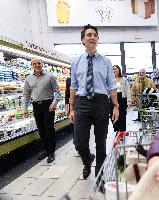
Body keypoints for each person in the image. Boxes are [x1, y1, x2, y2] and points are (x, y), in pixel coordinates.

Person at [69, 24, 119, 179]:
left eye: (94, 35)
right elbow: (73, 86)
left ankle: (100, 177)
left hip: (100, 103)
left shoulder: (106, 61)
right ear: (83, 40)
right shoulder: (76, 61)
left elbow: (111, 85)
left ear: (98, 39)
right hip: (82, 102)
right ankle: (87, 159)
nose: (92, 37)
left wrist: (115, 106)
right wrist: (71, 108)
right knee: (79, 143)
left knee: (101, 143)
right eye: (88, 35)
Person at [23, 58, 60, 163]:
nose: (37, 65)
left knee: (49, 128)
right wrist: (25, 108)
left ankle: (51, 152)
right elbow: (26, 94)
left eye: (38, 63)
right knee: (41, 129)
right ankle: (46, 150)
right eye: (34, 64)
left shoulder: (50, 76)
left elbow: (57, 92)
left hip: (48, 105)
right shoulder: (28, 78)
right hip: (36, 106)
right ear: (31, 65)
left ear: (42, 64)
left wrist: (54, 103)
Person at [109, 65, 130, 132]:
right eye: (113, 69)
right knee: (112, 115)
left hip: (122, 98)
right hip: (112, 99)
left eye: (115, 69)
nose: (114, 70)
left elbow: (128, 90)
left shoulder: (123, 79)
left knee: (122, 115)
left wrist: (129, 101)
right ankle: (117, 130)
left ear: (119, 70)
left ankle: (122, 131)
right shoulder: (110, 80)